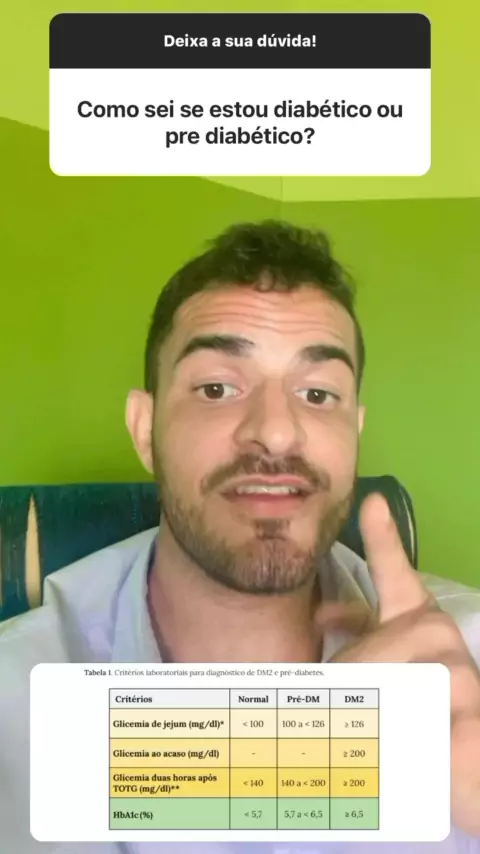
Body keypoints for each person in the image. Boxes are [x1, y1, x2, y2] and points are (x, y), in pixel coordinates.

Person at [1, 220, 480, 854]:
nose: (277, 432)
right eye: (217, 388)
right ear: (145, 430)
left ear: (355, 432)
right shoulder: (15, 702)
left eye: (318, 393)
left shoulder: (470, 661)